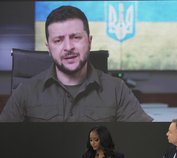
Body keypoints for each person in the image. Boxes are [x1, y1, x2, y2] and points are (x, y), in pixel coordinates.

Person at [0, 5, 153, 122]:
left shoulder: (117, 90)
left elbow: (143, 139)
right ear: (49, 48)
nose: (68, 47)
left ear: (89, 42)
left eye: (75, 37)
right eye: (58, 40)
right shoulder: (25, 91)